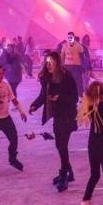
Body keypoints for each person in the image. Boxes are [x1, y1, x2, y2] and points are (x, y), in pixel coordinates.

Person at [29, 51, 79, 192]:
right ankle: (68, 171)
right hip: (57, 116)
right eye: (47, 62)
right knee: (59, 145)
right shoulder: (46, 78)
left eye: (51, 62)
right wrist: (35, 105)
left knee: (62, 145)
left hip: (68, 115)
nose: (48, 64)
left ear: (57, 62)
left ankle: (64, 174)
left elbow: (74, 98)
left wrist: (60, 97)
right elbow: (43, 95)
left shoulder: (66, 77)